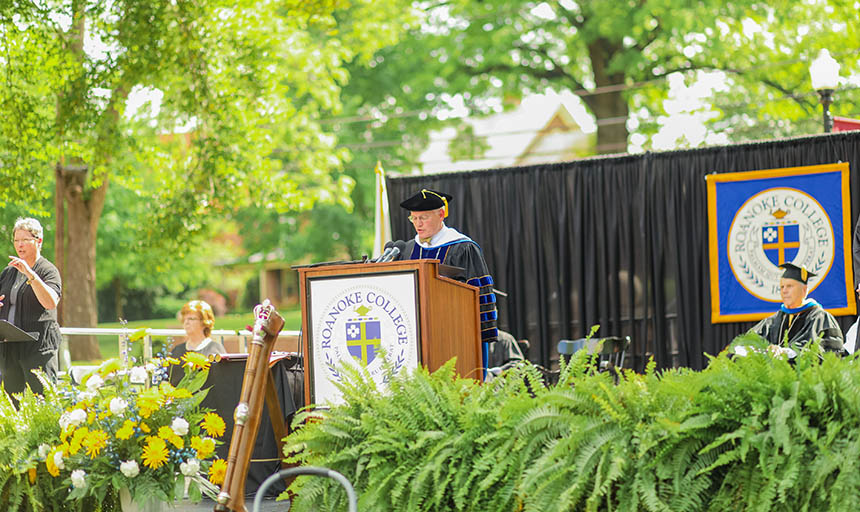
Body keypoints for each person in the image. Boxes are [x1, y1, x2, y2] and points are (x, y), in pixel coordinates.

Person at [396, 188, 499, 354]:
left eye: (423, 217)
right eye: (413, 218)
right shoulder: (407, 250)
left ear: (441, 214)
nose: (418, 224)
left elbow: (480, 295)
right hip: (415, 337)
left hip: (457, 335)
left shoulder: (463, 247)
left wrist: (483, 333)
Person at [0, 217, 62, 397]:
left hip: (38, 346)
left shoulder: (48, 270)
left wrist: (30, 274)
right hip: (11, 346)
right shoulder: (9, 271)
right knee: (13, 404)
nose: (19, 245)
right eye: (16, 240)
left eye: (25, 240)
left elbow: (50, 302)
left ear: (38, 241)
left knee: (43, 400)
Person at [750, 263, 844, 353]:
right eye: (782, 287)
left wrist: (787, 352)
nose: (784, 291)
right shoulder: (774, 320)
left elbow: (830, 350)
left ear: (804, 290)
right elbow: (748, 340)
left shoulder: (820, 318)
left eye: (789, 286)